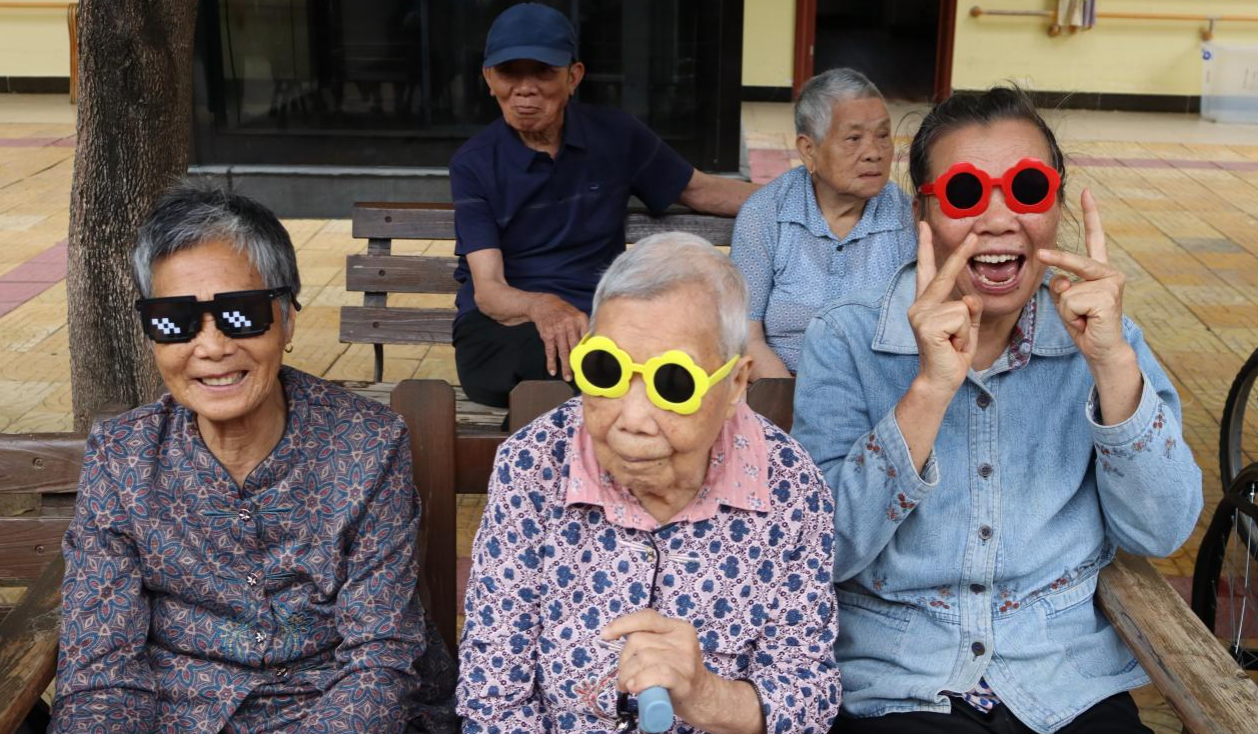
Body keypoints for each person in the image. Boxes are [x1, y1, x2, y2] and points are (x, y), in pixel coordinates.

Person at [791, 87, 1202, 733]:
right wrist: (928, 390)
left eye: (1028, 189)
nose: (999, 218)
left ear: (1058, 204)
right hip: (900, 683)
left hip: (1063, 681)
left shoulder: (1105, 341)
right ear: (921, 214)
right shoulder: (845, 337)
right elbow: (823, 550)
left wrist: (1113, 365)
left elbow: (1163, 531)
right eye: (964, 194)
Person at [51, 184, 454, 734]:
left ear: (287, 320)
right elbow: (102, 667)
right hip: (179, 715)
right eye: (174, 320)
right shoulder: (122, 457)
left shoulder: (367, 445)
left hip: (332, 709)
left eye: (240, 313)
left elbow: (379, 658)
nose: (212, 347)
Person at [457, 233, 841, 733]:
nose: (633, 419)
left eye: (672, 383)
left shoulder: (789, 484)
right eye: (605, 370)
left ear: (735, 384)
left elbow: (807, 695)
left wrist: (707, 696)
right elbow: (492, 697)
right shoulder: (534, 464)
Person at [450, 2, 759, 408]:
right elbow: (490, 292)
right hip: (502, 328)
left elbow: (700, 191)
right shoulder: (473, 163)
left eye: (543, 71)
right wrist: (543, 307)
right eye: (509, 73)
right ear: (489, 79)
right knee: (581, 371)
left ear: (573, 76)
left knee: (642, 366)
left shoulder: (615, 136)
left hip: (601, 322)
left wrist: (800, 195)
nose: (525, 88)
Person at [730, 68, 915, 381]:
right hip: (781, 387)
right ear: (809, 150)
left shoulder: (905, 218)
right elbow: (746, 335)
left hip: (877, 391)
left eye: (883, 135)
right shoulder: (766, 215)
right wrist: (793, 402)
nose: (874, 153)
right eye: (853, 138)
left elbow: (914, 334)